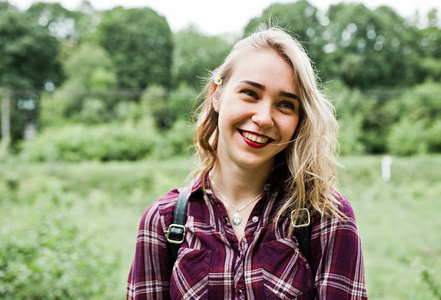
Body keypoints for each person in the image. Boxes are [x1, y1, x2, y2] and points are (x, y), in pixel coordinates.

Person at [127, 27, 367, 299]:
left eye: (285, 105)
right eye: (250, 93)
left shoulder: (326, 217)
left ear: (300, 120)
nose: (264, 118)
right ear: (217, 94)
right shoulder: (164, 222)